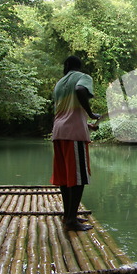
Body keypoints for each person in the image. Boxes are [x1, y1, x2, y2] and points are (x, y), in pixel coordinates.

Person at [50, 56, 100, 231]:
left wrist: (87, 124)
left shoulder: (59, 84)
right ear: (79, 67)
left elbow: (65, 112)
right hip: (74, 135)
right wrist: (91, 113)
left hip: (58, 133)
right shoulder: (83, 78)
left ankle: (68, 215)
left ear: (67, 66)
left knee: (65, 178)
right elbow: (80, 90)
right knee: (78, 179)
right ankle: (71, 220)